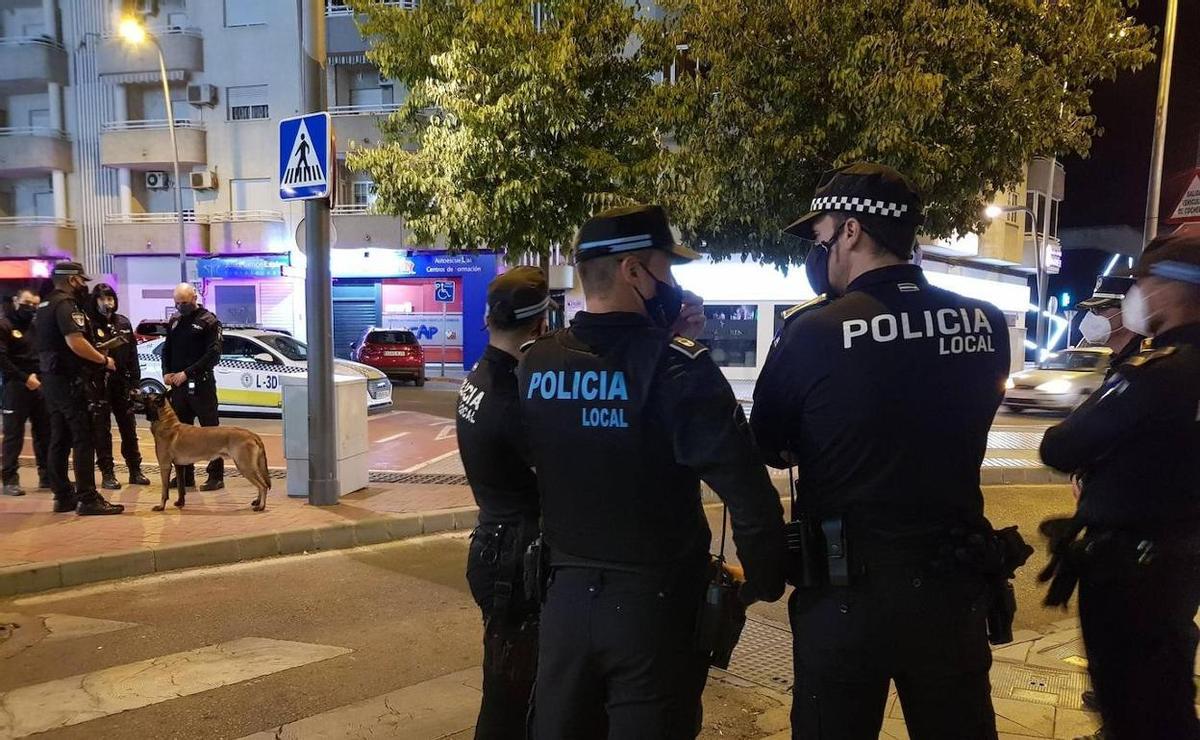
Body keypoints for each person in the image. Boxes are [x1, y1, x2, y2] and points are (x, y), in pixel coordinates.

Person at [752, 163, 1020, 739]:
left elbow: (770, 444)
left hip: (846, 594)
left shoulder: (813, 331)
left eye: (821, 235)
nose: (818, 251)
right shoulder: (986, 322)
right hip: (953, 586)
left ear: (851, 230)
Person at [518, 204, 786, 738]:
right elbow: (748, 492)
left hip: (563, 602)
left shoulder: (535, 362)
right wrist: (765, 579)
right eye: (667, 268)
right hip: (653, 613)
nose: (674, 284)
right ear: (633, 271)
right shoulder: (680, 368)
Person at [1039, 231, 1200, 740]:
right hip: (1180, 561)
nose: (1138, 293)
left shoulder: (1157, 372)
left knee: (1135, 705)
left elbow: (1061, 446)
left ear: (1172, 288)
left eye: (1143, 282)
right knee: (1167, 694)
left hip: (1134, 570)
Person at [456, 266, 551, 739]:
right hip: (515, 560)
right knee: (511, 698)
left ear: (489, 319)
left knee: (506, 687)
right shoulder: (513, 398)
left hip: (494, 546)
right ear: (540, 325)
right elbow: (556, 477)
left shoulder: (479, 377)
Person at [34, 262, 124, 515]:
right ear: (73, 280)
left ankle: (63, 496)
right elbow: (75, 342)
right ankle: (87, 498)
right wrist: (103, 359)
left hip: (51, 380)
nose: (84, 285)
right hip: (69, 381)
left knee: (59, 438)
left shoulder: (44, 305)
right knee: (83, 437)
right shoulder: (66, 304)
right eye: (82, 281)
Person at [87, 283, 149, 489]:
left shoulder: (123, 322)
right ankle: (108, 473)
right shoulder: (89, 323)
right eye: (103, 299)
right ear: (95, 301)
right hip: (99, 382)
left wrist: (135, 382)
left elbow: (132, 355)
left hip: (122, 382)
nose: (107, 303)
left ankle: (135, 470)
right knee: (102, 430)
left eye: (110, 298)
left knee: (129, 428)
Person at [161, 283, 223, 490]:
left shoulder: (209, 321)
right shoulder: (175, 321)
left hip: (201, 384)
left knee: (211, 431)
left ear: (194, 298)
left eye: (184, 303)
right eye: (177, 303)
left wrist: (187, 373)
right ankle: (185, 476)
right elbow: (166, 349)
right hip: (178, 386)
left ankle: (215, 476)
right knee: (181, 433)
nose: (181, 307)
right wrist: (166, 372)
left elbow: (213, 354)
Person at [0, 288, 50, 496]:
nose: (31, 308)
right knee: (14, 435)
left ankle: (47, 477)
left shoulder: (36, 326)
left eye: (35, 305)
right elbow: (2, 359)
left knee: (44, 433)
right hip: (15, 386)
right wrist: (24, 378)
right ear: (16, 300)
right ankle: (10, 479)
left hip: (38, 385)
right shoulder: (5, 325)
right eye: (27, 303)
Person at [1076, 274, 1145, 369]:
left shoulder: (1146, 355)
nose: (1093, 315)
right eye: (1091, 310)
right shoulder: (1088, 350)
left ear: (1130, 310)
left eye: (1102, 308)